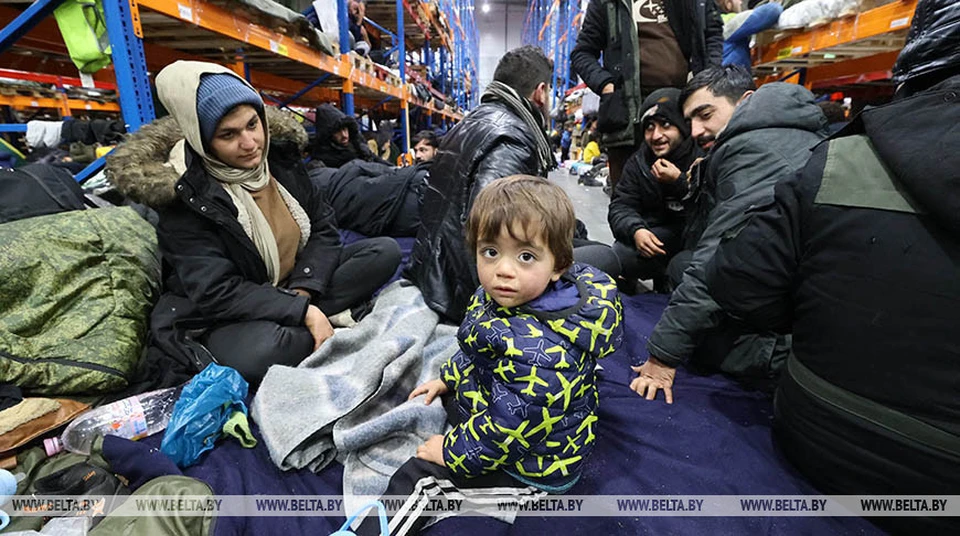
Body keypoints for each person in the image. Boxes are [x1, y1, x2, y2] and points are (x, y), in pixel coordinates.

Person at [703, 2, 960, 533]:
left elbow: (736, 279)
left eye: (704, 115)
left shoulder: (841, 158)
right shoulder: (824, 153)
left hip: (814, 434)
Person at [109, 61, 402, 385]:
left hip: (293, 284)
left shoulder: (281, 161)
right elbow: (217, 291)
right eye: (228, 135)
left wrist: (302, 293)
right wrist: (303, 311)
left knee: (383, 252)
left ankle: (305, 322)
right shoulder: (186, 196)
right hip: (223, 313)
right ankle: (309, 323)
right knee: (264, 351)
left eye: (252, 124)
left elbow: (323, 228)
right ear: (201, 139)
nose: (250, 143)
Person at [361, 176, 623, 535]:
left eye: (526, 256)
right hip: (505, 412)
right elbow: (479, 350)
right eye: (490, 251)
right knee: (447, 403)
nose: (503, 269)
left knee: (421, 480)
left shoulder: (542, 354)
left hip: (533, 463)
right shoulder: (505, 296)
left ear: (559, 265)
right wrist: (448, 377)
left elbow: (506, 428)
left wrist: (451, 453)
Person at [631, 65, 827, 402]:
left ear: (746, 101)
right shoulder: (785, 134)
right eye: (689, 120)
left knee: (695, 298)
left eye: (705, 114)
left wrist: (662, 356)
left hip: (792, 331)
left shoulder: (754, 151)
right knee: (680, 265)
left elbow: (716, 255)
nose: (695, 130)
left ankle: (772, 358)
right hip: (803, 294)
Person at [405, 45, 557, 323]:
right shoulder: (514, 138)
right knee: (598, 259)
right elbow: (494, 228)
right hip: (462, 294)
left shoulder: (469, 121)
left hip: (430, 271)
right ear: (541, 91)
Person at [571, 0, 723, 193]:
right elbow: (582, 53)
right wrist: (607, 85)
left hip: (683, 113)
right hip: (627, 116)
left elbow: (712, 34)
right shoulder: (607, 3)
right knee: (628, 198)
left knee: (690, 194)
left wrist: (708, 79)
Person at [607, 88, 701, 290]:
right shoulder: (639, 162)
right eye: (649, 127)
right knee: (622, 255)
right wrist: (636, 230)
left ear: (682, 126)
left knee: (685, 268)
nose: (656, 135)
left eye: (665, 125)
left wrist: (679, 182)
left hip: (696, 241)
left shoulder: (701, 155)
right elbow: (621, 206)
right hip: (658, 239)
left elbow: (714, 206)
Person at [311, 103, 386, 168]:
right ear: (329, 135)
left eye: (344, 129)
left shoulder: (358, 145)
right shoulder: (325, 158)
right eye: (337, 132)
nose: (344, 135)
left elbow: (375, 159)